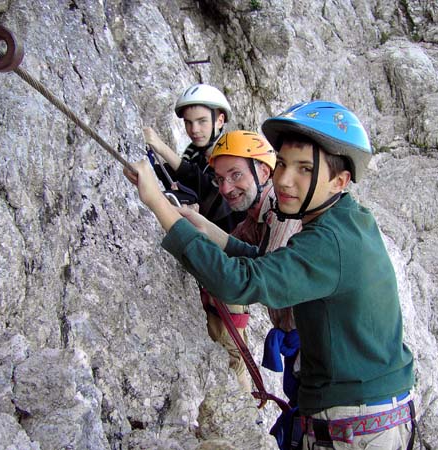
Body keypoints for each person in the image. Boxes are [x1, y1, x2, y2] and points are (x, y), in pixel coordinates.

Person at [125, 100, 416, 450]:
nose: (283, 179)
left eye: (305, 169)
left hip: (356, 428)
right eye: (281, 163)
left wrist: (157, 203)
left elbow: (242, 282)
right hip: (361, 417)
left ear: (339, 181)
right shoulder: (346, 221)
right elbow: (267, 262)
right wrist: (207, 230)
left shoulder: (330, 241)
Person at [200, 129, 278, 392]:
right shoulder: (253, 221)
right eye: (220, 179)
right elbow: (229, 246)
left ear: (264, 172)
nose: (226, 188)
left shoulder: (281, 216)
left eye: (236, 175)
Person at [143, 83, 245, 232]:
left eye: (202, 121)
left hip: (232, 239)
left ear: (219, 120)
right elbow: (177, 174)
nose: (194, 130)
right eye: (188, 122)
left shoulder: (233, 154)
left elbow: (208, 188)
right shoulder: (194, 152)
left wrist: (162, 148)